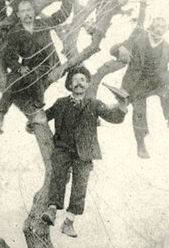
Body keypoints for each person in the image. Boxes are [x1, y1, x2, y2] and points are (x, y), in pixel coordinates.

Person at [41, 65, 128, 237]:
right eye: (74, 80)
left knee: (80, 186)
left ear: (88, 85)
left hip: (85, 153)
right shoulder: (60, 103)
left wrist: (122, 106)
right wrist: (32, 121)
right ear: (69, 85)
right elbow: (44, 116)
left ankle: (69, 222)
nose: (78, 83)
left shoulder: (94, 104)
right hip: (63, 149)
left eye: (82, 80)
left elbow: (114, 118)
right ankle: (51, 210)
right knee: (58, 177)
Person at [0, 0, 73, 131]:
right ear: (18, 15)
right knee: (12, 79)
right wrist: (18, 68)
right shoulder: (15, 33)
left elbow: (62, 15)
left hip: (48, 64)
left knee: (35, 76)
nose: (26, 14)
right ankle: (0, 114)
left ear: (34, 12)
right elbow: (10, 56)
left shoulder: (43, 24)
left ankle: (39, 110)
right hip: (28, 66)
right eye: (23, 11)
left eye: (29, 10)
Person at [111, 17, 169, 158]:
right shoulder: (138, 39)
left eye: (162, 27)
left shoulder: (167, 47)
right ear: (151, 26)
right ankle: (141, 144)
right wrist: (120, 49)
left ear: (166, 29)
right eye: (156, 26)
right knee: (139, 111)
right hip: (138, 82)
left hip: (158, 81)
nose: (158, 29)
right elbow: (114, 48)